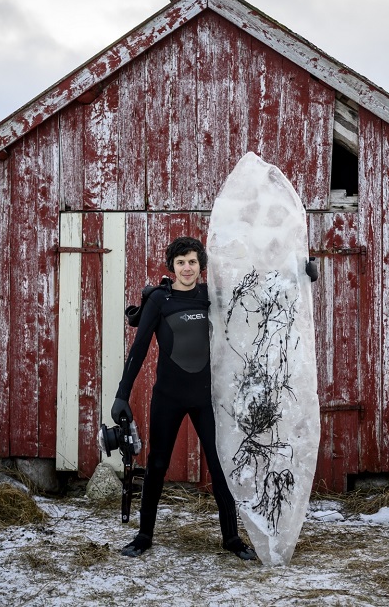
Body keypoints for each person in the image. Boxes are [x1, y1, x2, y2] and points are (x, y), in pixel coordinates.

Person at [112, 236, 257, 560]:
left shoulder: (211, 296)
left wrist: (300, 274)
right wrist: (123, 395)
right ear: (172, 267)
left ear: (200, 265)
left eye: (192, 262)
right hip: (168, 396)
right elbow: (139, 349)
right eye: (181, 262)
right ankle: (144, 535)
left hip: (206, 397)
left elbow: (256, 293)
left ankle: (231, 539)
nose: (187, 268)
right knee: (157, 465)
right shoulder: (159, 301)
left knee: (219, 467)